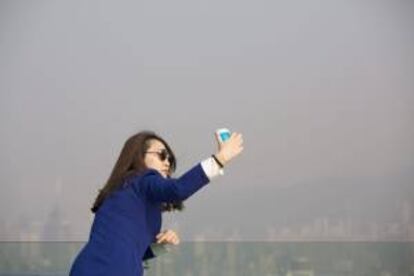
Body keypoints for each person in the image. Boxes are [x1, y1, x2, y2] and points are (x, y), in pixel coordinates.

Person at [69, 130, 244, 276]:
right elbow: (178, 190)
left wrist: (160, 246)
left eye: (170, 159)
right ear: (139, 157)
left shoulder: (126, 192)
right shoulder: (142, 179)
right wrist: (220, 159)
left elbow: (131, 249)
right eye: (162, 155)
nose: (167, 162)